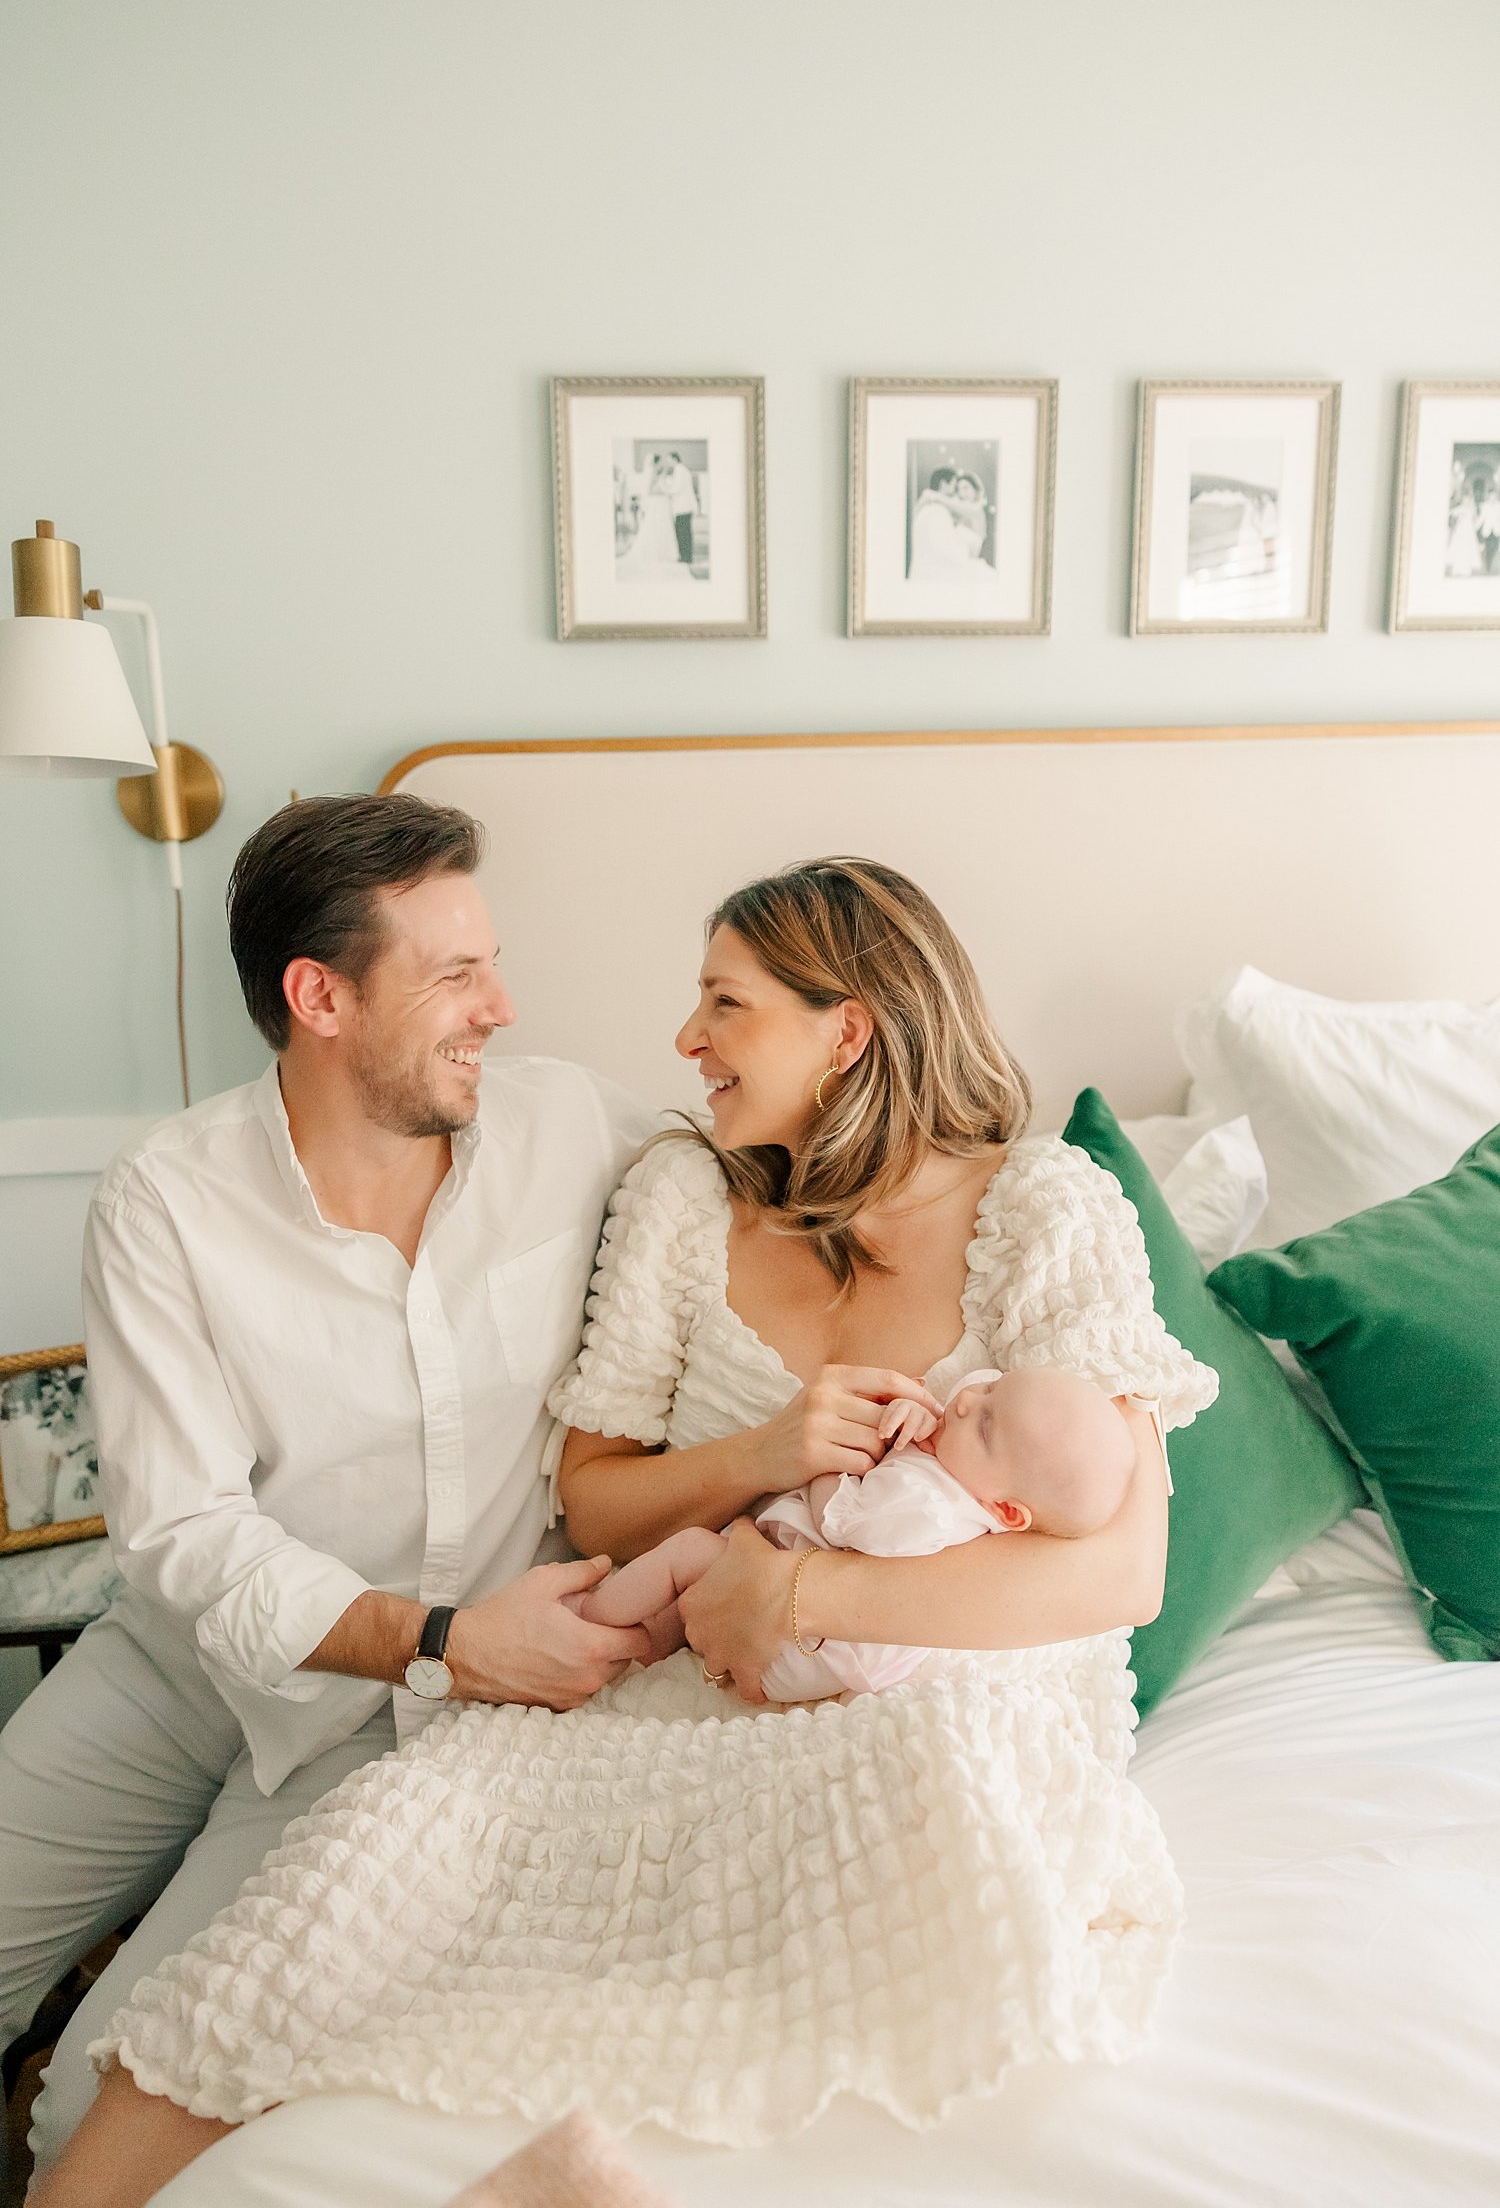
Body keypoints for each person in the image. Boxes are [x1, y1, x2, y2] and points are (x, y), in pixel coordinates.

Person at [42, 858, 1216, 2204]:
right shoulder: (677, 1195)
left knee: (908, 1837)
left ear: (849, 1028)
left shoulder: (1046, 1207)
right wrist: (764, 1458)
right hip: (619, 1666)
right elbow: (591, 1496)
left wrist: (800, 1598)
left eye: (726, 1001)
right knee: (348, 1901)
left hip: (937, 1680)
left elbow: (1125, 1565)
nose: (686, 1038)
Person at [1, 793, 659, 2186]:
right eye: (457, 974)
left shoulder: (579, 1128)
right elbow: (185, 1531)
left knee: (86, 2120)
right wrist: (436, 1632)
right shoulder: (165, 1198)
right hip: (187, 1665)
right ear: (321, 996)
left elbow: (795, 1197)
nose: (504, 1002)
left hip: (393, 1724)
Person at [567, 1364, 1144, 1699]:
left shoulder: (925, 1503)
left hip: (801, 1647)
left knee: (692, 1552)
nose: (965, 1400)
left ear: (1009, 1511)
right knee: (690, 1600)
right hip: (806, 1637)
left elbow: (840, 1519)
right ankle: (635, 1646)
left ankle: (587, 1623)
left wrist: (841, 1460)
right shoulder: (970, 1478)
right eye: (992, 1386)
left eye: (987, 1422)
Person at [663, 449, 701, 567]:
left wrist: (665, 488)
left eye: (669, 460)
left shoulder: (679, 470)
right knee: (684, 532)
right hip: (684, 506)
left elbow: (676, 488)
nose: (668, 463)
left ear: (675, 459)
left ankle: (685, 557)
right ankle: (686, 556)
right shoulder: (682, 469)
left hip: (682, 507)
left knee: (682, 533)